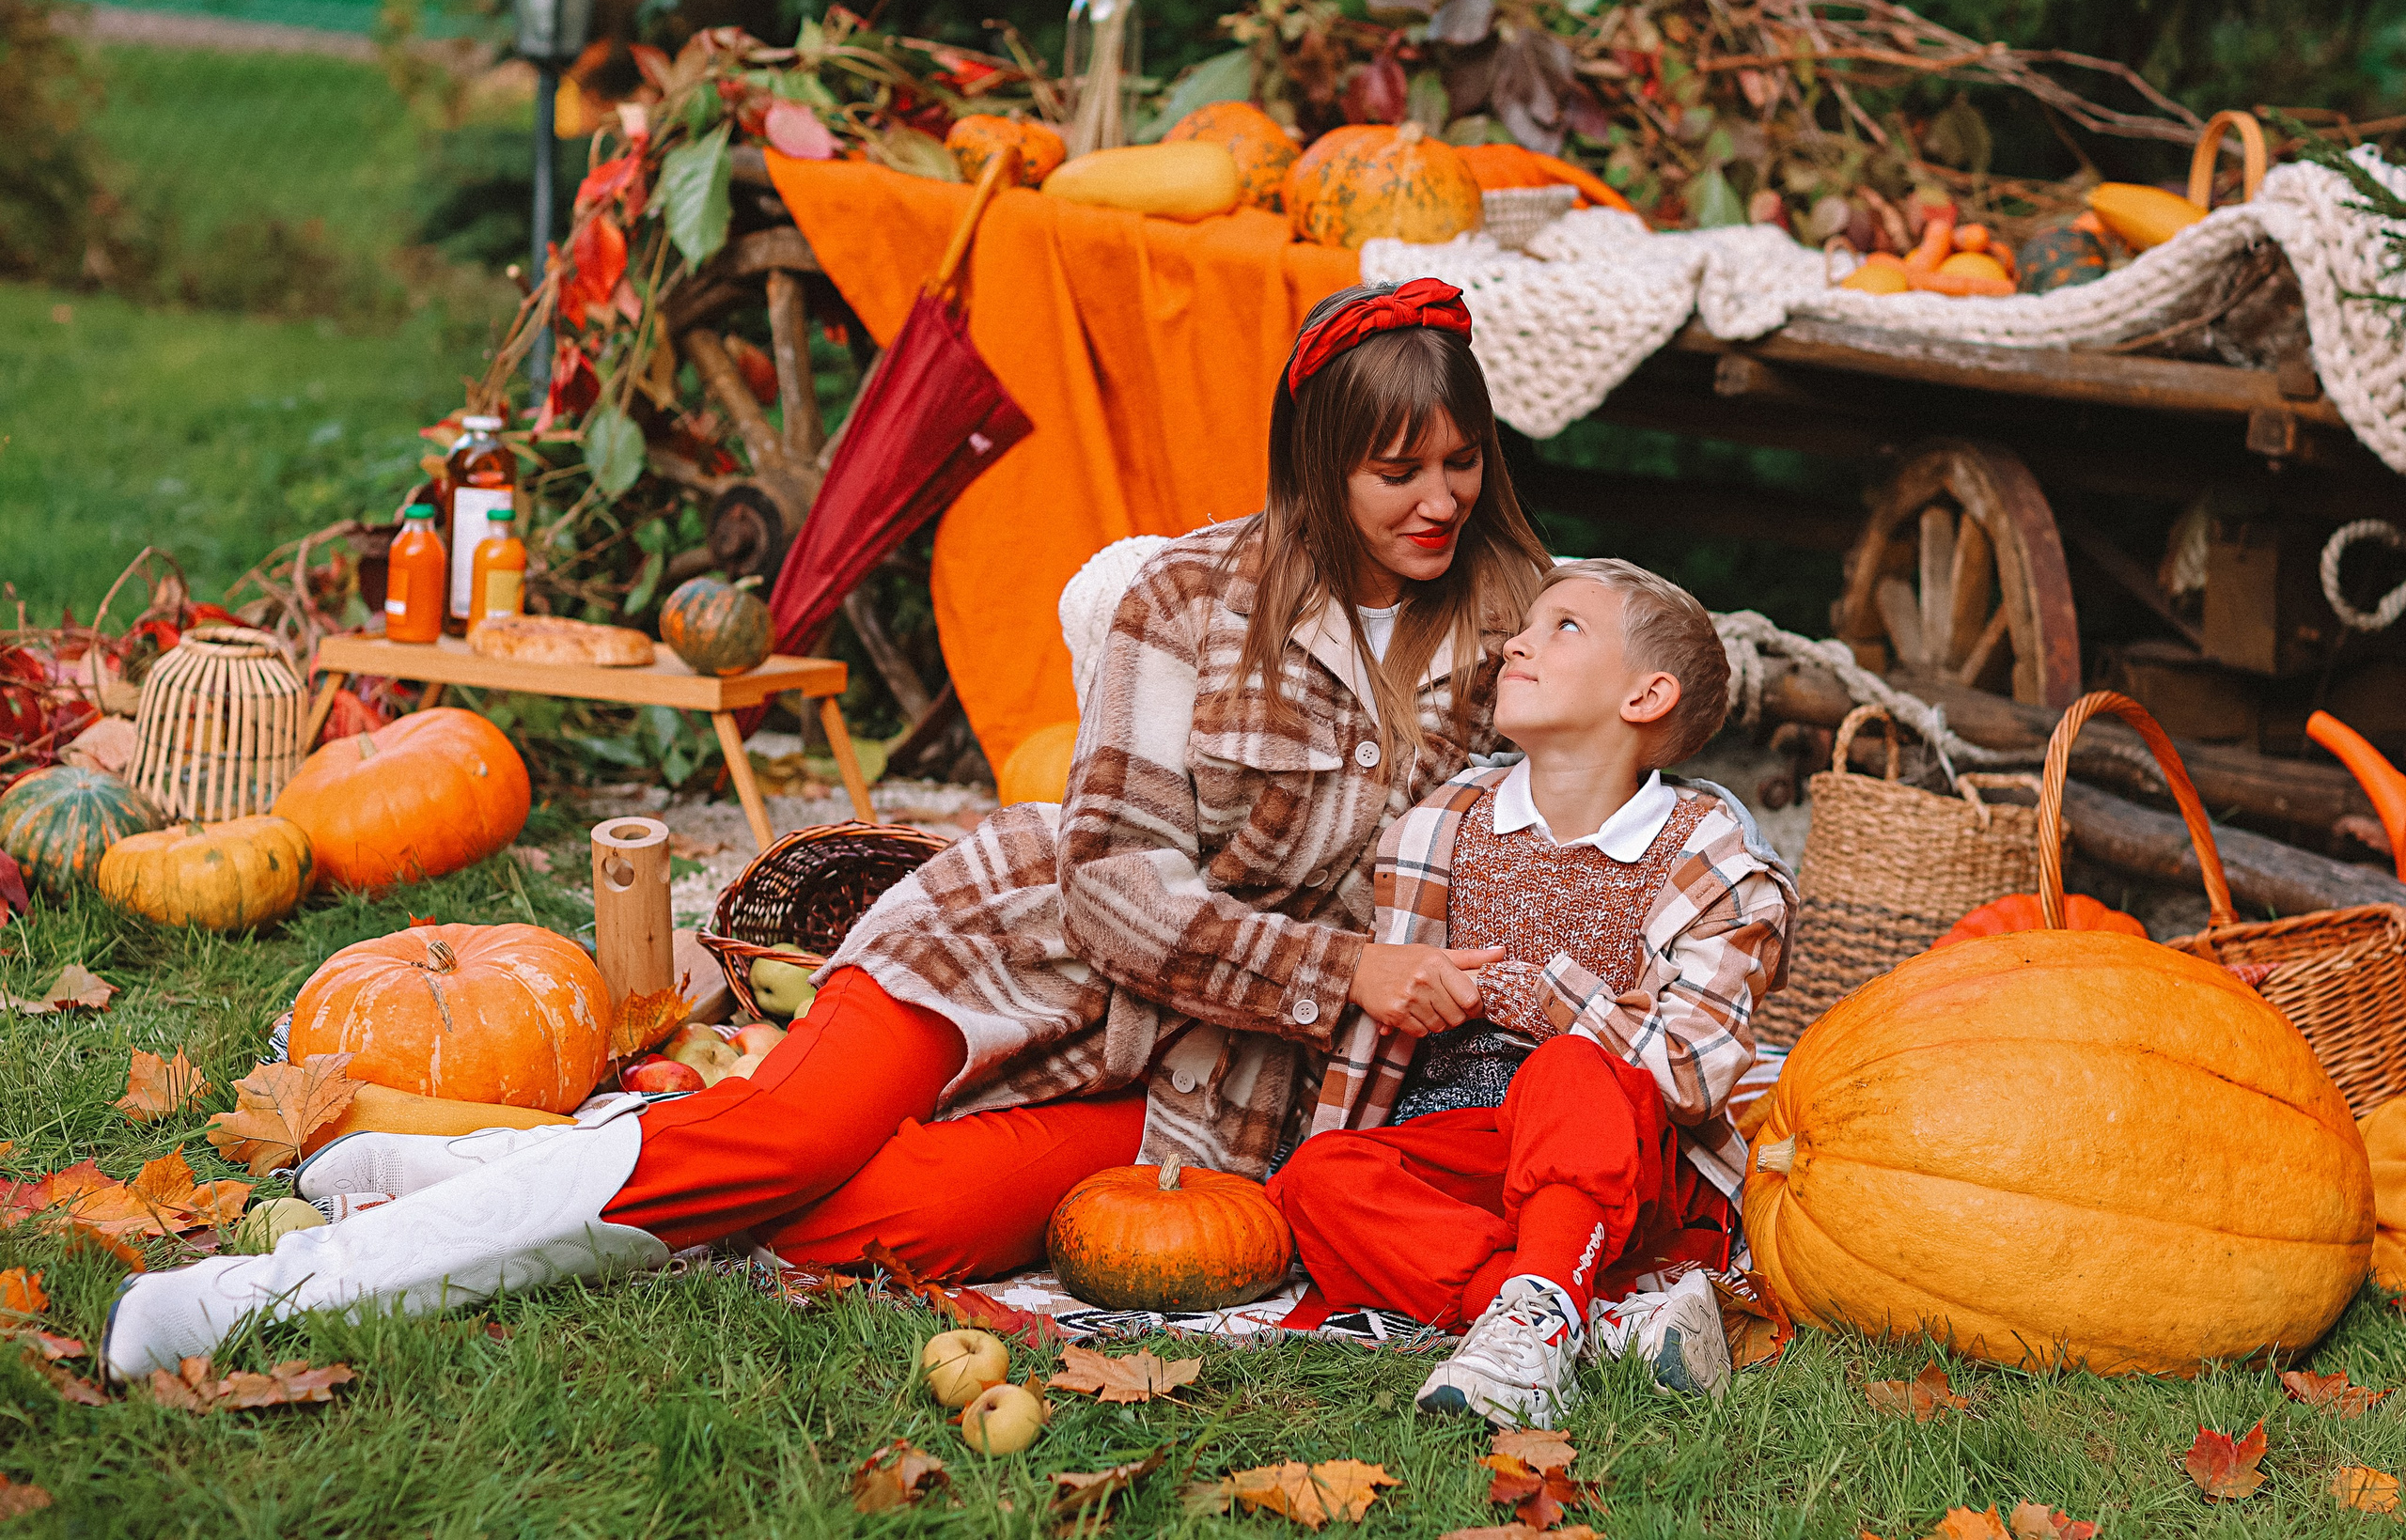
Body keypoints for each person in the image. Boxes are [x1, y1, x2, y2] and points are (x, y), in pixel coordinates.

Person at [102, 278, 1555, 1379]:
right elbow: (1116, 885)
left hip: (1215, 1074)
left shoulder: (1505, 627)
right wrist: (1340, 970)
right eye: (1398, 470)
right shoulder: (1182, 599)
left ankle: (488, 1173)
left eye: (1462, 463)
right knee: (785, 1136)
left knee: (901, 1219)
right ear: (1317, 458)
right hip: (1034, 947)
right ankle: (268, 1294)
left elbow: (1658, 667)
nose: (1440, 500)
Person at [1268, 558, 1797, 1429]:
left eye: (1565, 627)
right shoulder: (1445, 825)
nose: (1519, 640)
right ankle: (1562, 1317)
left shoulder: (1708, 859)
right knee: (1317, 1179)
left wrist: (1528, 989)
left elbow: (1690, 1071)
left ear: (1645, 695)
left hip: (1621, 1155)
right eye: (1527, 625)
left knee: (1567, 1067)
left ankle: (1539, 1301)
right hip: (1473, 1145)